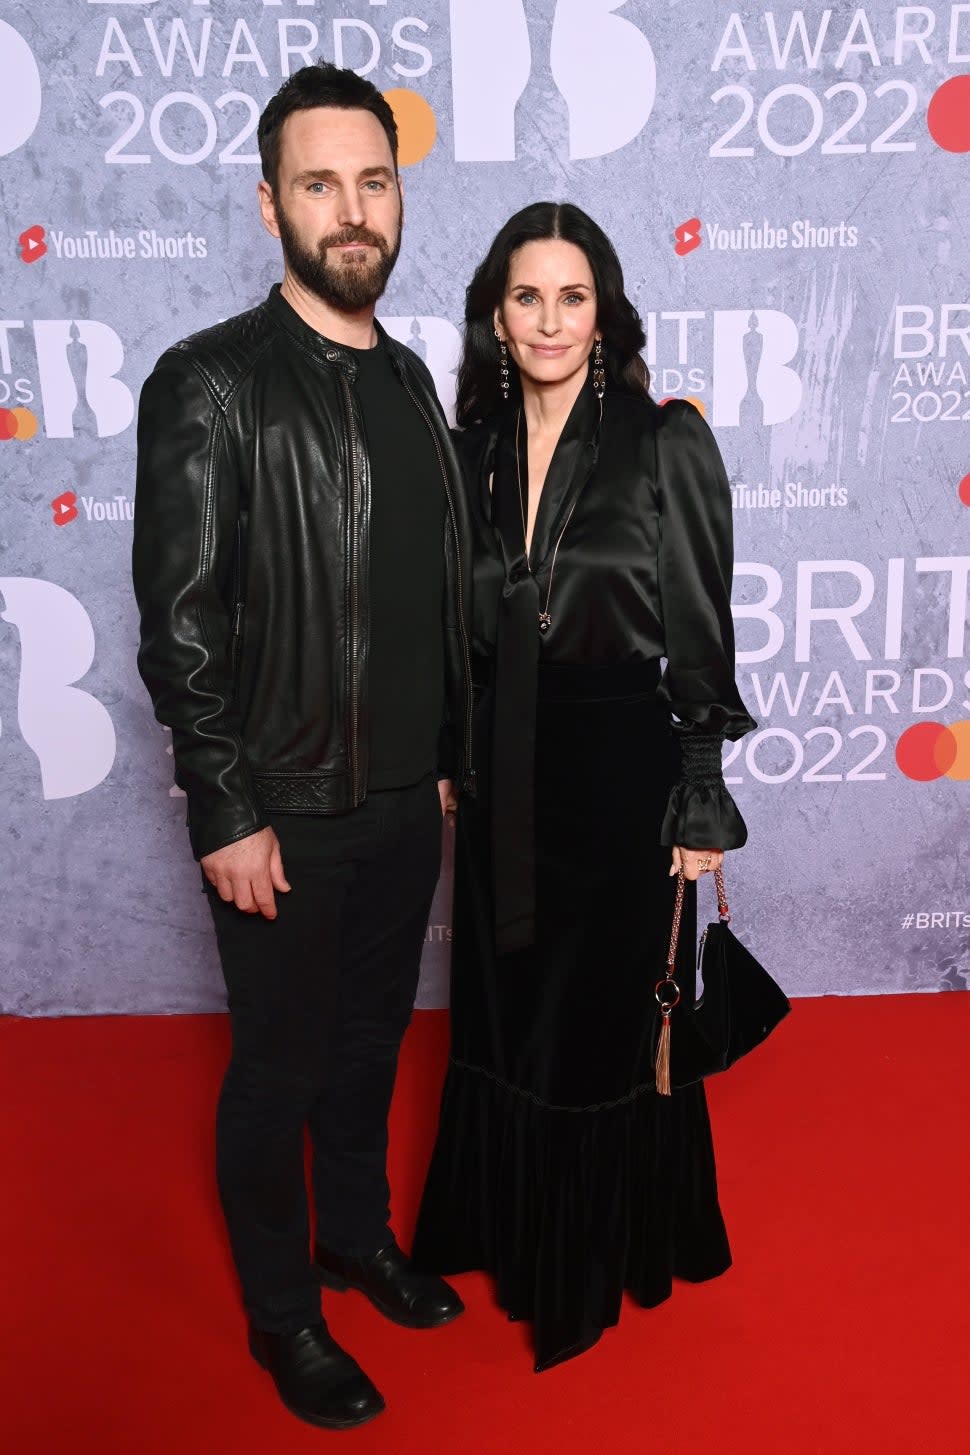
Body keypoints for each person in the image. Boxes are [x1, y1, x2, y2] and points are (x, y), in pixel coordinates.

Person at [132, 63, 473, 1431]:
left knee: (372, 1038)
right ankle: (283, 1314)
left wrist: (445, 754)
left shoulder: (407, 379)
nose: (350, 210)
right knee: (275, 1066)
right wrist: (226, 805)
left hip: (403, 800)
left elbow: (426, 591)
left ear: (398, 198)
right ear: (270, 201)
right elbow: (181, 620)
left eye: (372, 180)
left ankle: (354, 1233)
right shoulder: (209, 381)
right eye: (320, 183)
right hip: (280, 805)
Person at [412, 202, 757, 1371]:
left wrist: (699, 790)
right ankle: (505, 1230)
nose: (550, 320)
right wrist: (460, 759)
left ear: (603, 310)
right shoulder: (470, 451)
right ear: (494, 316)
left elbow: (703, 631)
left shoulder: (663, 440)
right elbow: (459, 636)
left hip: (620, 771)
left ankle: (597, 1255)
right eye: (526, 297)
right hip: (504, 770)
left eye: (572, 296)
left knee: (603, 1019)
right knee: (504, 1008)